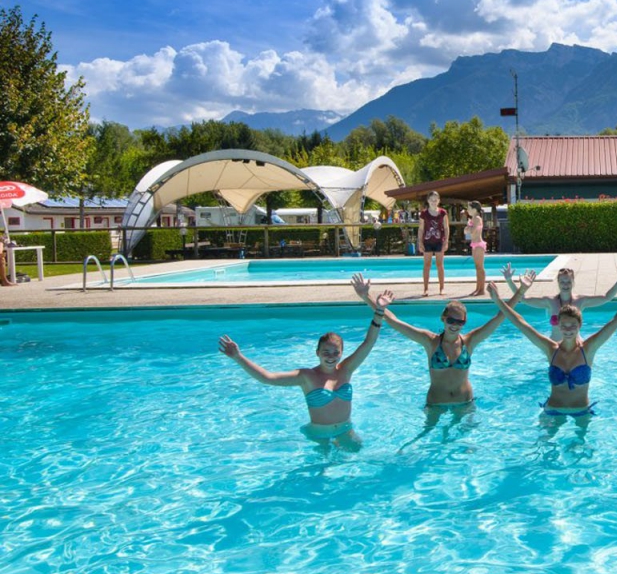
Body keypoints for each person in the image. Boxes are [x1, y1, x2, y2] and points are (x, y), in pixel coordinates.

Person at [217, 294, 391, 450]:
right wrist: (238, 357)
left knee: (357, 454)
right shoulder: (307, 376)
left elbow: (369, 342)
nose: (331, 357)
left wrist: (379, 311)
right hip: (319, 434)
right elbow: (267, 378)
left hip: (346, 430)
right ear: (317, 353)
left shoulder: (346, 370)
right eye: (326, 352)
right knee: (322, 473)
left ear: (341, 353)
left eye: (335, 352)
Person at [352, 272, 531, 409]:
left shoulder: (469, 341)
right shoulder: (430, 342)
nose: (454, 325)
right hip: (436, 405)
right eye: (451, 320)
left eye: (459, 322)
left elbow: (501, 316)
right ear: (443, 319)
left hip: (465, 404)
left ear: (464, 323)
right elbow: (393, 321)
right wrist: (366, 297)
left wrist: (521, 290)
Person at [486, 275, 617, 418]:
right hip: (552, 410)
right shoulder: (551, 349)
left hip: (582, 411)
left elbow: (616, 321)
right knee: (543, 450)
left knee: (583, 451)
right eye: (564, 325)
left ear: (580, 325)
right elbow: (521, 323)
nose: (568, 330)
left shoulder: (588, 349)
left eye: (573, 326)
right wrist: (497, 300)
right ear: (559, 326)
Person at [502, 262, 617, 341]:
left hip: (576, 348)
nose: (565, 284)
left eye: (568, 281)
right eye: (562, 282)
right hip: (555, 348)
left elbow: (606, 298)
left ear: (573, 282)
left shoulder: (581, 301)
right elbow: (523, 299)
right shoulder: (550, 302)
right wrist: (509, 280)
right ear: (558, 283)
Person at [418, 190, 450, 296]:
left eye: (436, 200)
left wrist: (446, 242)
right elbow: (421, 229)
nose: (434, 202)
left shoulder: (443, 213)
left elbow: (446, 228)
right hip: (427, 242)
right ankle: (425, 289)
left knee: (439, 265)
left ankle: (442, 288)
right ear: (428, 200)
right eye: (432, 200)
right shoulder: (424, 213)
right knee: (427, 265)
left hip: (439, 241)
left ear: (439, 201)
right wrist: (420, 242)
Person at [465, 201, 487, 297]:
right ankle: (478, 288)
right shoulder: (473, 219)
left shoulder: (477, 218)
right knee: (477, 267)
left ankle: (482, 289)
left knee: (480, 267)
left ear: (474, 209)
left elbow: (471, 231)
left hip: (478, 244)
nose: (467, 210)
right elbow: (467, 231)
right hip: (474, 244)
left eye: (469, 208)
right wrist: (468, 229)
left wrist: (468, 228)